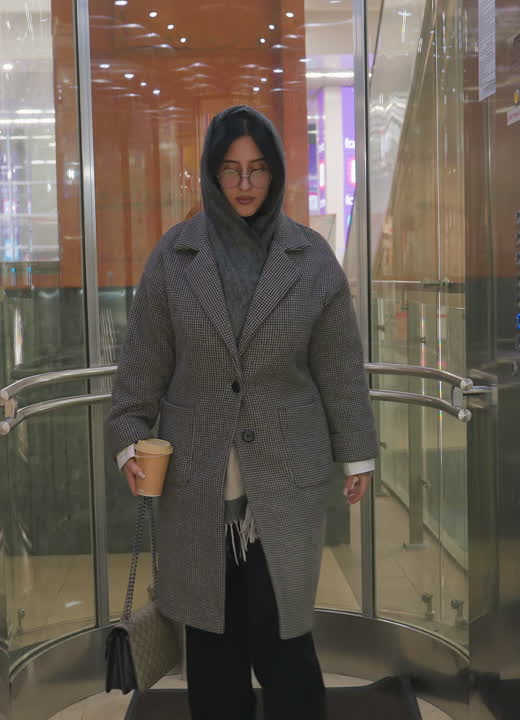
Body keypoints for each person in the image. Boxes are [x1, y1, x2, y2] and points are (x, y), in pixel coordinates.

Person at [105, 105, 378, 720]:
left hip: (286, 481)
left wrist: (356, 452)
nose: (245, 183)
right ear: (210, 174)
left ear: (277, 172)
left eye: (257, 169)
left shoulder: (309, 258)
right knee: (212, 651)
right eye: (231, 170)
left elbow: (339, 366)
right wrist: (129, 441)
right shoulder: (174, 257)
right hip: (196, 489)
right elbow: (139, 372)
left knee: (285, 645)